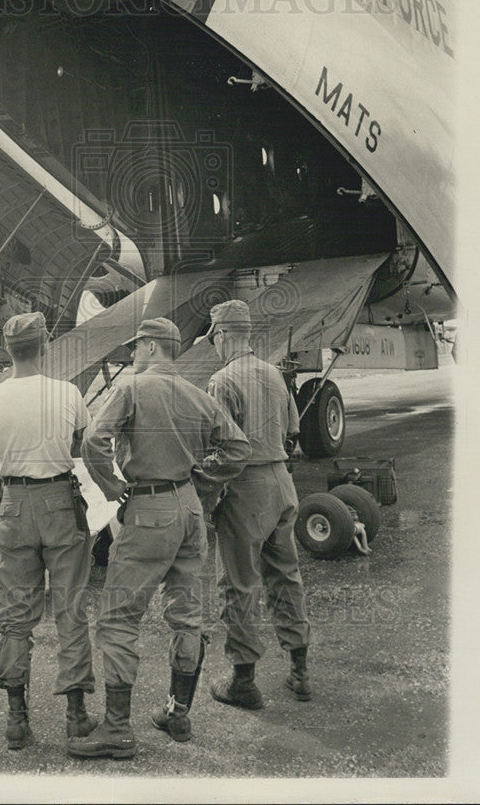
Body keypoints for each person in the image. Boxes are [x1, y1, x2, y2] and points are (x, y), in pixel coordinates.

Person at [67, 317, 251, 759]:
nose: (132, 355)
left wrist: (112, 488)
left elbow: (95, 440)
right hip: (189, 508)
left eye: (136, 347)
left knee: (117, 617)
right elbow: (239, 448)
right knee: (187, 614)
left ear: (151, 347)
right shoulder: (197, 392)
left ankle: (115, 729)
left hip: (149, 508)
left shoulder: (133, 389)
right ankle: (177, 713)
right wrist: (200, 484)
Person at [0, 312, 97, 750]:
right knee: (70, 609)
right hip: (59, 502)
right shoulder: (67, 392)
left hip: (12, 503)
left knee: (14, 615)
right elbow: (79, 444)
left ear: (7, 349)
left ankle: (16, 719)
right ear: (44, 345)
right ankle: (76, 715)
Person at [204, 300, 312, 710]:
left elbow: (224, 449)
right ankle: (300, 670)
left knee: (238, 584)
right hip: (282, 484)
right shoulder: (274, 374)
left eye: (214, 338)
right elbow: (293, 433)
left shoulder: (222, 381)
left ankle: (244, 681)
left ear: (223, 335)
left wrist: (205, 495)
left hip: (245, 489)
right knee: (286, 576)